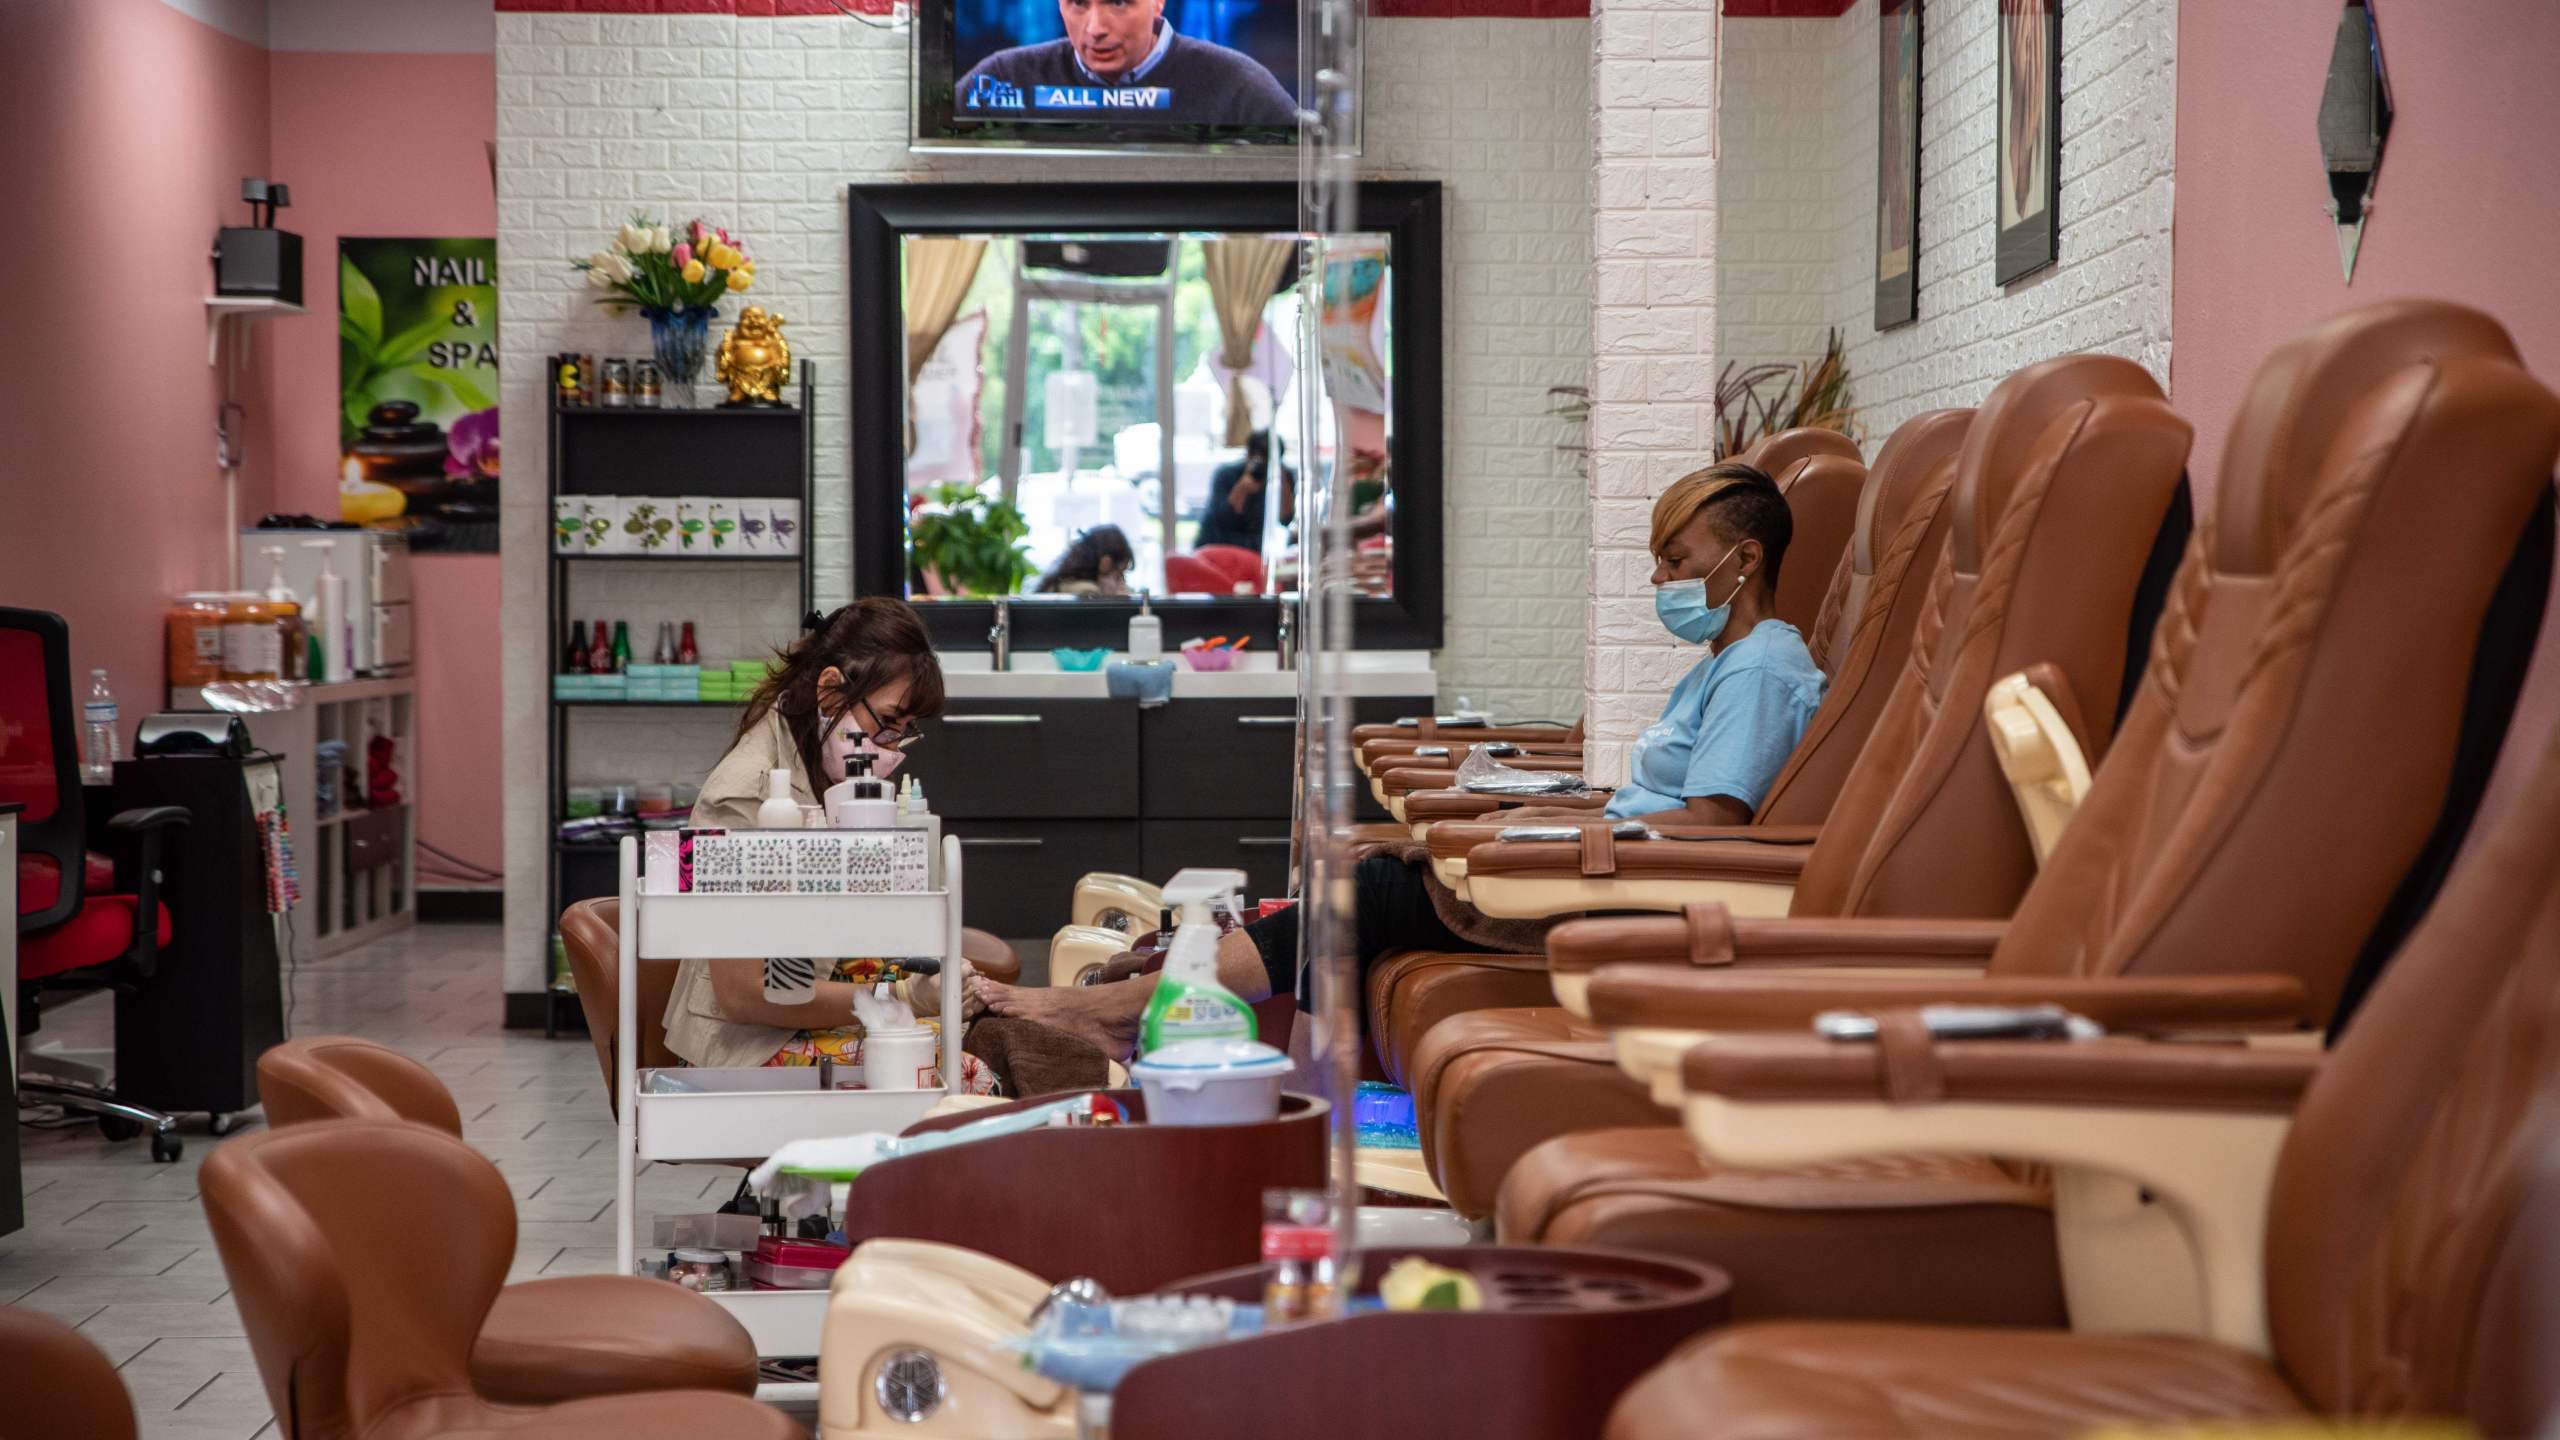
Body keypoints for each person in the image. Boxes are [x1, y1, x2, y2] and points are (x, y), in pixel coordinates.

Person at [970, 462, 1827, 1059]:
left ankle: (1119, 1012)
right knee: (1366, 863)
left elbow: (1716, 824)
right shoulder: (1725, 662)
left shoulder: (1763, 668)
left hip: (1627, 899)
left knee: (1364, 892)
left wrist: (1567, 841)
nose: (1658, 581)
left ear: (1743, 559)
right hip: (1601, 871)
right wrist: (1552, 821)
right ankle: (1260, 1062)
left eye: (1675, 561)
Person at [665, 598, 998, 1090]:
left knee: (991, 1035)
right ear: (829, 691)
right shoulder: (743, 798)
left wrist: (920, 973)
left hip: (798, 1021)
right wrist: (900, 996)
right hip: (745, 1046)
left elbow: (810, 947)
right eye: (885, 723)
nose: (889, 751)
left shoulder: (816, 772)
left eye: (904, 734)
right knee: (965, 1076)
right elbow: (745, 993)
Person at [957, 0, 1297, 128]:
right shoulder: (1002, 81)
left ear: (1158, 3)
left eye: (1117, 2)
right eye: (1078, 4)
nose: (1095, 29)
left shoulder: (1239, 88)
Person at [1195, 431, 1294, 553]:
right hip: (1218, 545)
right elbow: (1222, 519)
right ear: (1248, 455)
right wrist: (1241, 489)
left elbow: (1286, 519)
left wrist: (1282, 482)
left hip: (1255, 551)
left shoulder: (1282, 477)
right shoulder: (1227, 475)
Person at [1036, 524, 1135, 596]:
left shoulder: (1062, 582)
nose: (1122, 583)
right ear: (1106, 563)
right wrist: (1114, 598)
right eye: (1119, 575)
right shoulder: (1087, 592)